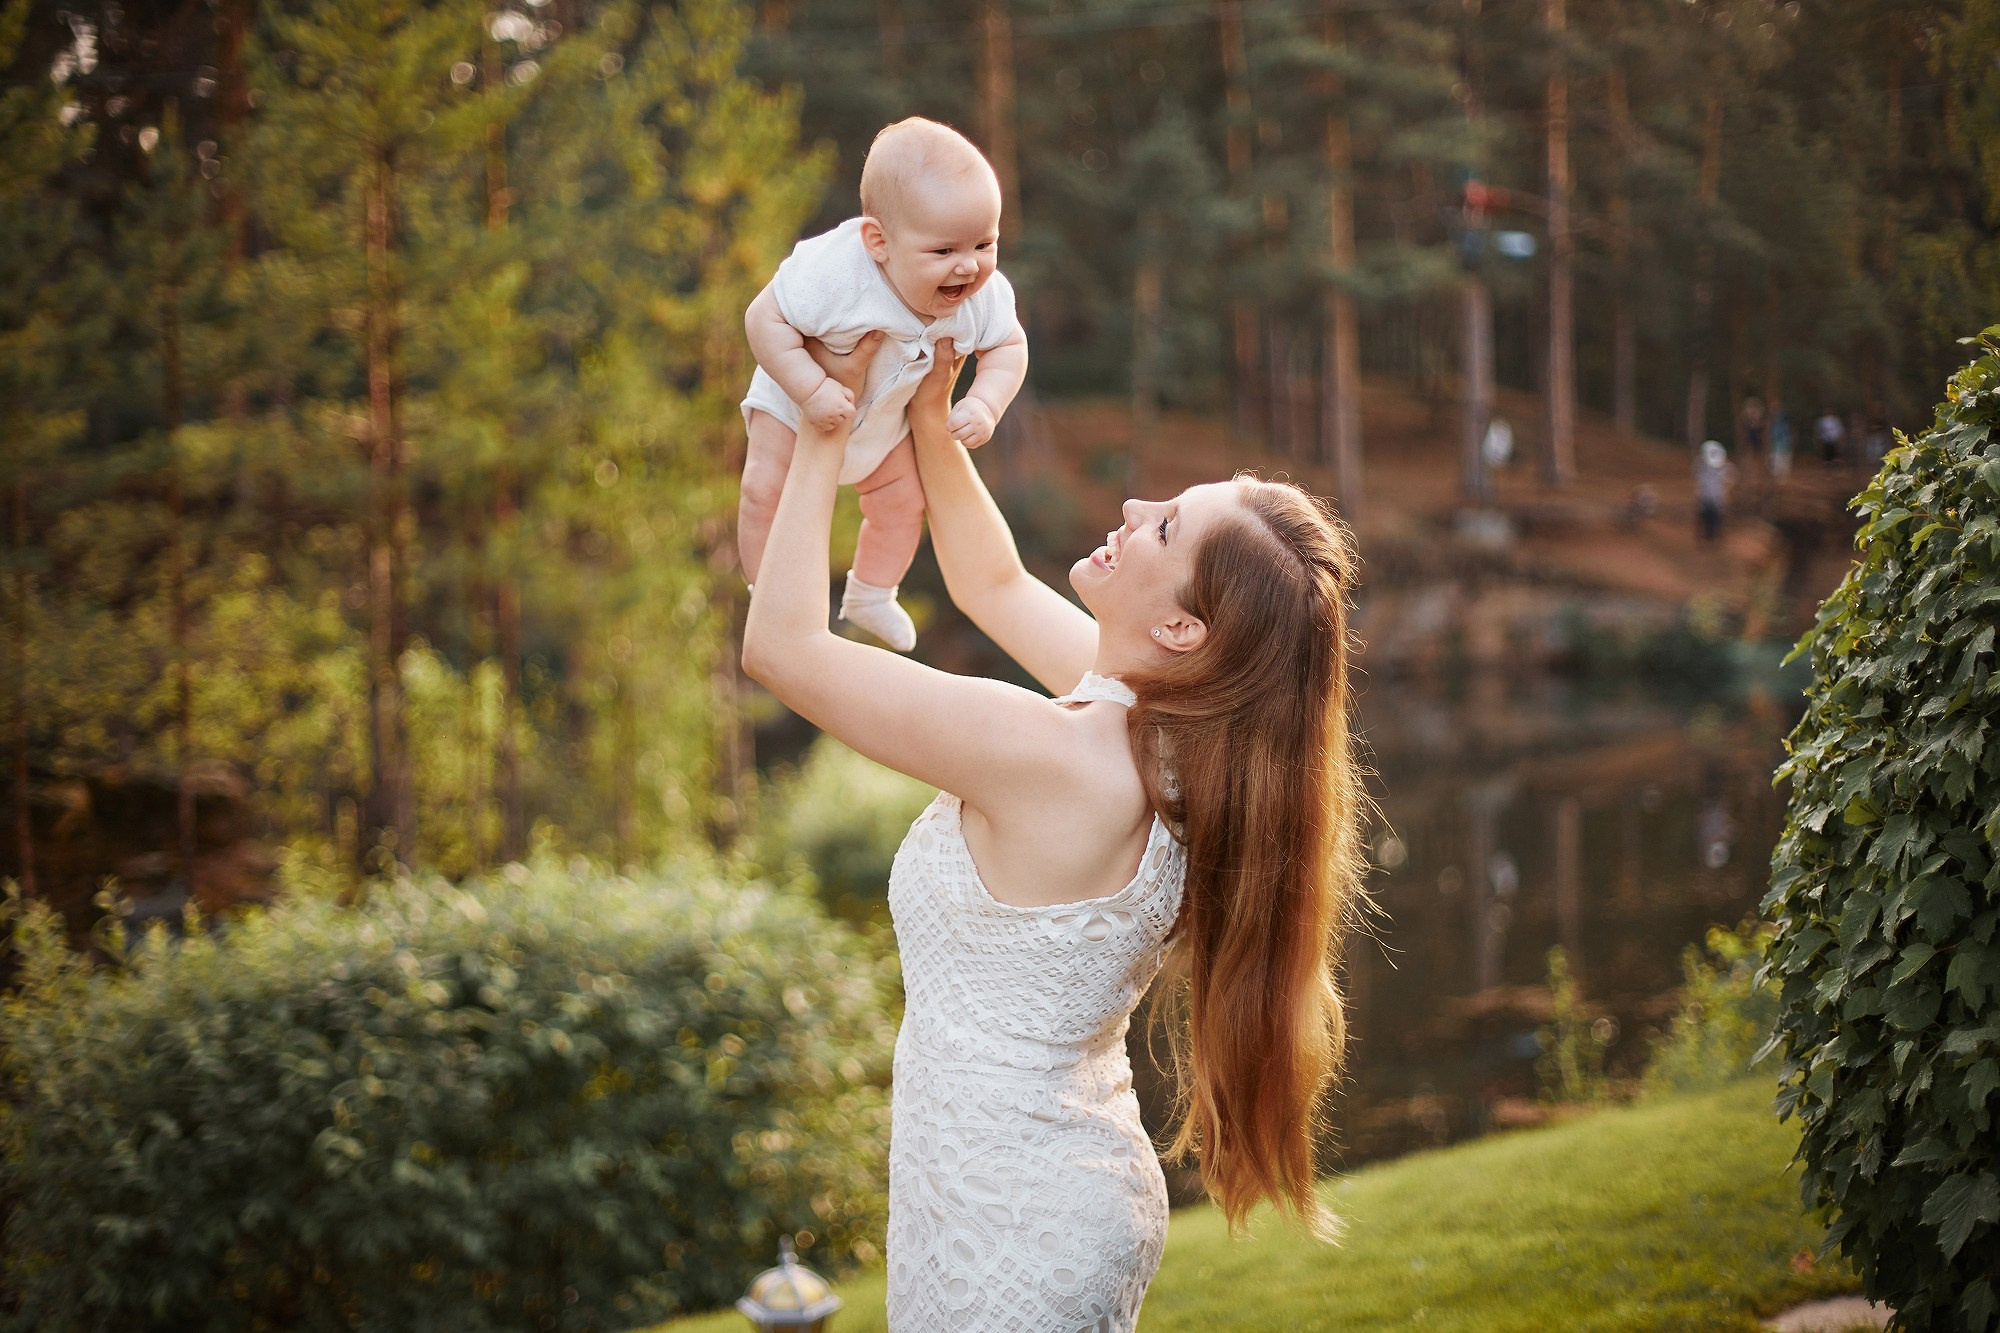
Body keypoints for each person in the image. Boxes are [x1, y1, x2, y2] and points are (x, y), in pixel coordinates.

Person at [742, 332, 1366, 1331]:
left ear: (1181, 632)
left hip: (1014, 1222)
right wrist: (930, 416)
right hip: (1037, 1184)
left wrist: (822, 416)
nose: (1130, 511)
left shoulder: (1055, 755)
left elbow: (780, 648)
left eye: (1161, 528)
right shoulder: (1163, 734)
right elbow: (988, 583)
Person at [740, 117, 1030, 651]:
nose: (969, 267)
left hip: (885, 422)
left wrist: (986, 403)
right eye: (944, 252)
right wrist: (808, 387)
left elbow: (1009, 346)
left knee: (902, 502)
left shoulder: (982, 297)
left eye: (985, 244)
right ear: (878, 241)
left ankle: (871, 594)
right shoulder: (834, 274)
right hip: (792, 405)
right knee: (764, 490)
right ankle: (768, 596)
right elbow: (763, 318)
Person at [1695, 439, 1734, 543]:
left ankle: (1716, 537)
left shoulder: (1724, 467)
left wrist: (1725, 490)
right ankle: (1707, 536)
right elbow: (1699, 482)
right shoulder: (1701, 466)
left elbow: (1731, 478)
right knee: (1706, 517)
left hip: (1717, 497)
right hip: (1707, 497)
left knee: (1717, 517)